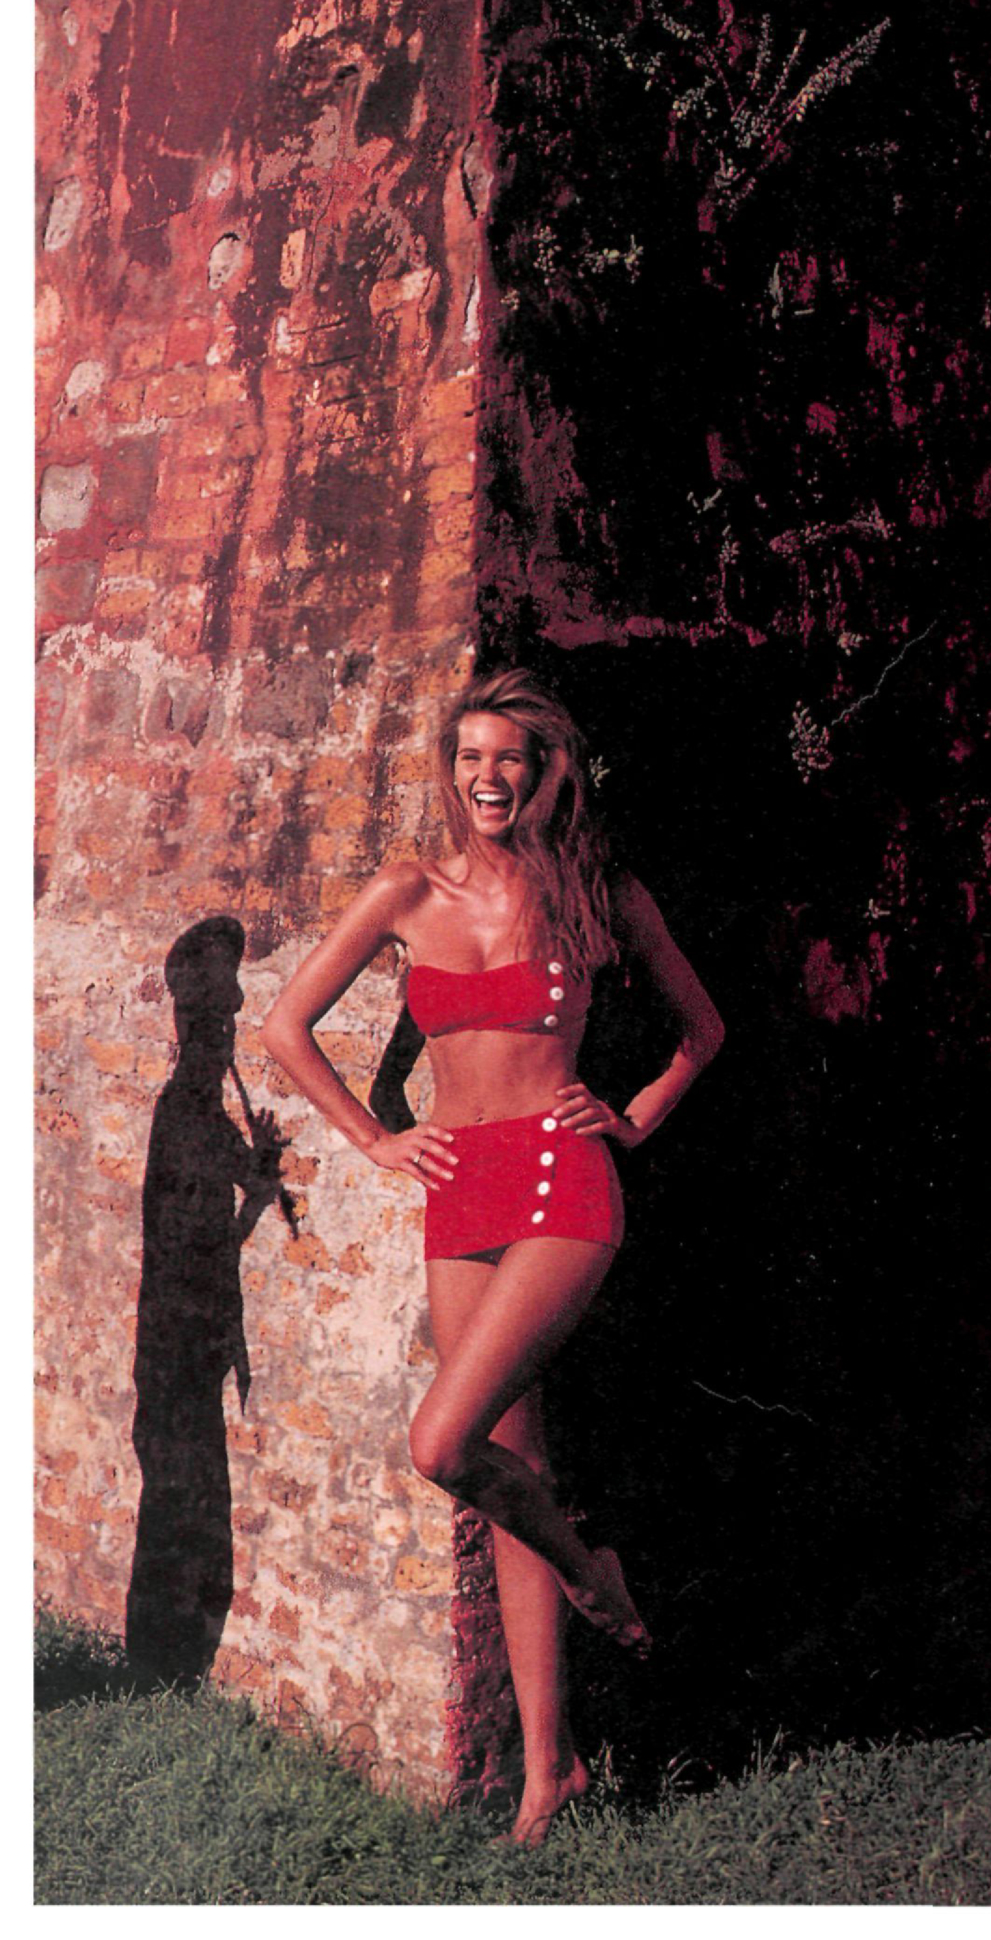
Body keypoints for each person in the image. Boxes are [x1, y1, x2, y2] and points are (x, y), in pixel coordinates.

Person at [261, 667, 725, 1843]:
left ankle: (591, 1572)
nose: (486, 776)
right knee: (509, 1468)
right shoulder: (406, 889)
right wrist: (374, 1137)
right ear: (450, 769)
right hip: (457, 1187)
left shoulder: (594, 889)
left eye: (508, 757)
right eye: (469, 756)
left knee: (440, 1442)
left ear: (545, 770)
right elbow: (284, 1025)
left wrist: (635, 1113)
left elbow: (701, 1027)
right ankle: (548, 1771)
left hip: (563, 1178)